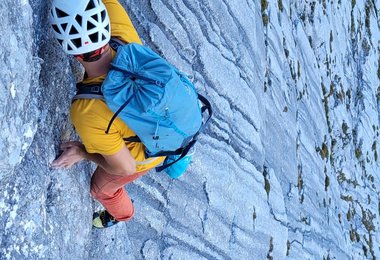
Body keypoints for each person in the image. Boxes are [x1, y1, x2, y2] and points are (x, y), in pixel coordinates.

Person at [50, 0, 165, 228]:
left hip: (146, 155)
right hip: (168, 116)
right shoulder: (116, 23)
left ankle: (122, 214)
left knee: (100, 189)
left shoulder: (88, 111)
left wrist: (82, 153)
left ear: (73, 53)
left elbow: (126, 168)